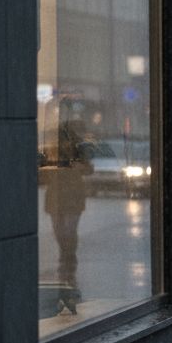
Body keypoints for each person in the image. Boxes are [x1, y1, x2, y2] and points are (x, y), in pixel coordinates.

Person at [43, 118, 94, 309]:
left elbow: (89, 168)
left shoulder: (79, 149)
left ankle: (67, 266)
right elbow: (43, 169)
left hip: (72, 194)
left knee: (69, 232)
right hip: (56, 194)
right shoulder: (51, 149)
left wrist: (76, 166)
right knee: (59, 231)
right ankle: (65, 263)